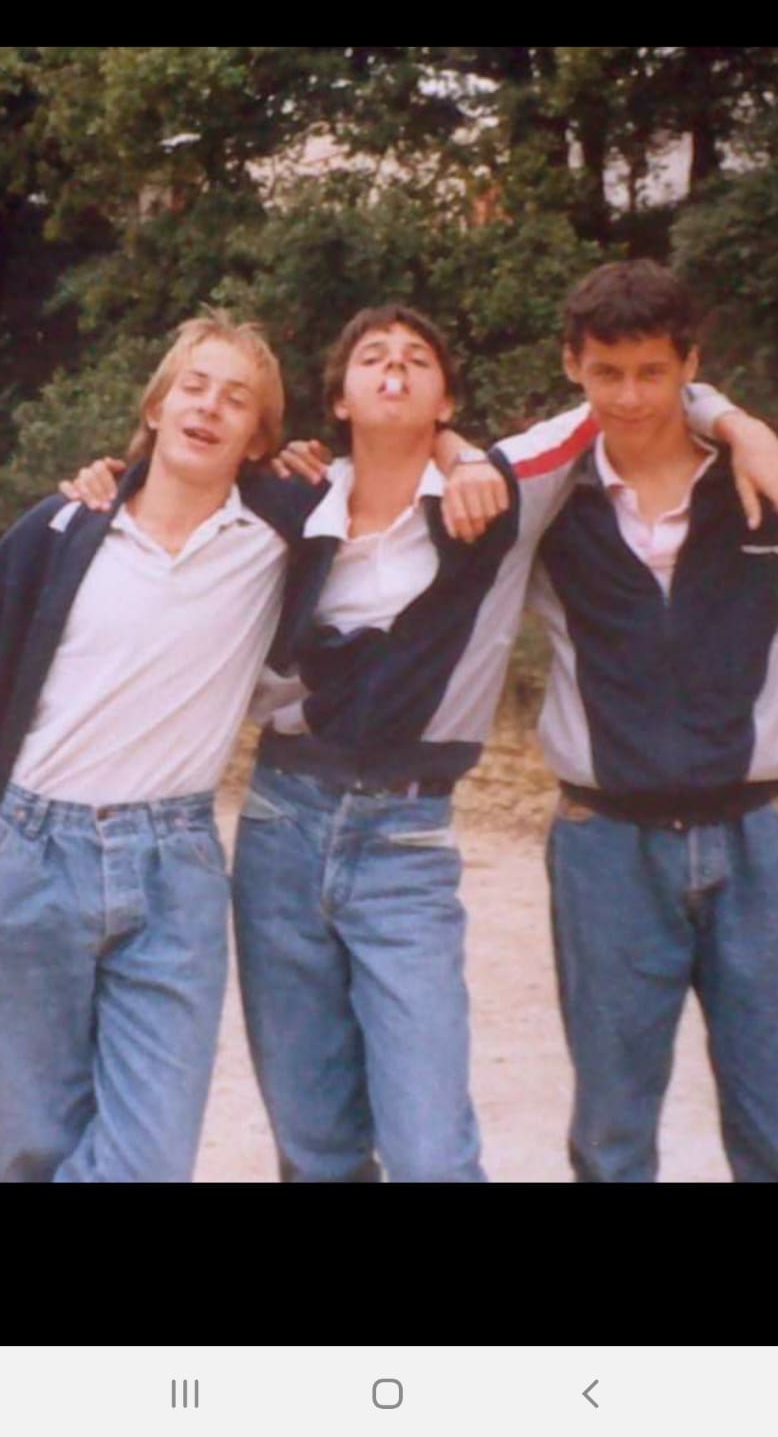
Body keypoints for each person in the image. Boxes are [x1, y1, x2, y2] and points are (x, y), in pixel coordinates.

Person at [63, 301, 773, 1184]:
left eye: (416, 357)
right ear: (340, 399)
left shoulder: (498, 493)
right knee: (314, 1138)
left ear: (446, 401)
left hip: (406, 834)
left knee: (433, 1151)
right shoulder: (287, 502)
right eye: (372, 357)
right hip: (282, 825)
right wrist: (102, 482)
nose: (394, 368)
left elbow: (621, 394)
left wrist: (735, 422)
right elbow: (176, 474)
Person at [0, 311, 304, 1182]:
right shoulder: (65, 526)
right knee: (26, 1142)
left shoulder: (276, 542)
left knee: (151, 1155)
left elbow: (392, 478)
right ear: (157, 406)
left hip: (175, 868)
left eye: (236, 399)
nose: (209, 407)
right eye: (194, 387)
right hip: (31, 851)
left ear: (258, 439)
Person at [522, 259, 778, 1181]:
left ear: (690, 364)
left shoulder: (762, 482)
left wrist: (738, 427)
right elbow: (439, 468)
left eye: (653, 372)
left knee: (774, 1119)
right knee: (613, 1130)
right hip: (607, 843)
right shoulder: (549, 500)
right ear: (573, 367)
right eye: (607, 372)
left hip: (761, 833)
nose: (630, 397)